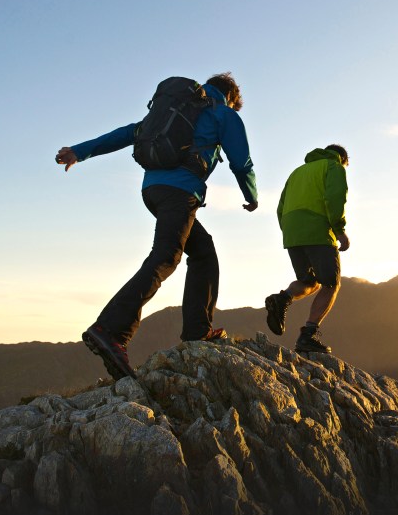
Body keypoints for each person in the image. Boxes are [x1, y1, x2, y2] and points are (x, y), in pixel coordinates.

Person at [55, 72, 259, 380]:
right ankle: (111, 330)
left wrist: (80, 151)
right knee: (165, 257)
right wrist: (251, 195)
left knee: (203, 251)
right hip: (180, 192)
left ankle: (197, 331)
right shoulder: (222, 113)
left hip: (152, 190)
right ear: (231, 97)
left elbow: (128, 133)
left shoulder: (173, 110)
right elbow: (241, 161)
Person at [264, 144, 350, 355]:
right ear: (343, 159)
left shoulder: (297, 172)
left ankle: (282, 299)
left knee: (310, 282)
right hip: (317, 229)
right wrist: (339, 230)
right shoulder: (333, 167)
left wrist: (290, 231)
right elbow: (335, 197)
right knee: (331, 283)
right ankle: (308, 335)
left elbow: (280, 207)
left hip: (292, 232)